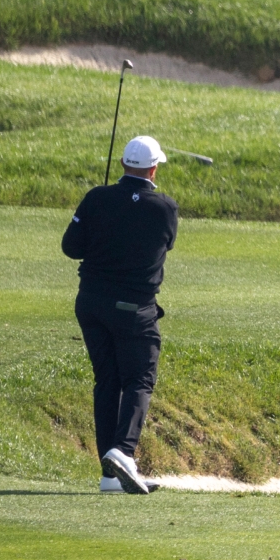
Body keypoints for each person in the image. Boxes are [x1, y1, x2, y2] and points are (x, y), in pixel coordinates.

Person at [62, 135, 178, 496]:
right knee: (139, 380)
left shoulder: (97, 197)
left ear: (124, 164)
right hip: (135, 310)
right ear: (154, 168)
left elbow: (71, 247)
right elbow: (167, 243)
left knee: (107, 382)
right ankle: (124, 452)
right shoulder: (165, 207)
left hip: (91, 305)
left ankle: (110, 476)